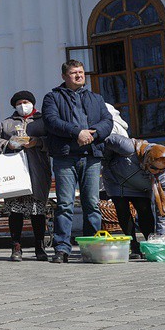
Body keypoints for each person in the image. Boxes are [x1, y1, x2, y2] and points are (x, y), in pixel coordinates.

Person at [41, 59, 112, 263]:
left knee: (92, 203)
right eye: (74, 73)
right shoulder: (52, 97)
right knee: (64, 204)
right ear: (64, 76)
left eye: (81, 72)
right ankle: (62, 249)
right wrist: (77, 133)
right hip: (65, 157)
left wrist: (94, 134)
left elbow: (108, 121)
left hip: (91, 156)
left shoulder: (96, 98)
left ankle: (90, 247)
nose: (79, 75)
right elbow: (52, 121)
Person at [0, 90, 52, 262]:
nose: (23, 105)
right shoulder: (7, 123)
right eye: (19, 103)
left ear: (32, 103)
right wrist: (8, 144)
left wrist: (38, 142)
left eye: (26, 102)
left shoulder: (42, 121)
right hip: (14, 171)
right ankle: (16, 245)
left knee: (37, 211)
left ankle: (39, 246)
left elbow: (53, 140)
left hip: (37, 170)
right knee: (15, 211)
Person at [102, 133, 165, 258]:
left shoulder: (164, 176)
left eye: (161, 170)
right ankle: (133, 245)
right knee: (122, 208)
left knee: (144, 209)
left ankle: (150, 243)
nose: (157, 172)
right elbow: (109, 139)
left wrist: (161, 238)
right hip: (117, 180)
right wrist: (107, 162)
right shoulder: (129, 148)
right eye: (154, 168)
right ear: (147, 160)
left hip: (141, 187)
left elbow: (164, 208)